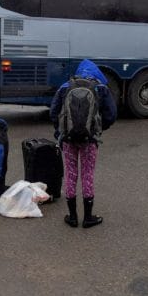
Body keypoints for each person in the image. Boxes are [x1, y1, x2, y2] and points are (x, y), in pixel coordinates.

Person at [50, 59, 117, 228]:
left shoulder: (66, 87)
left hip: (68, 139)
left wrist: (60, 132)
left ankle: (72, 217)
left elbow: (53, 112)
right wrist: (98, 129)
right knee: (87, 175)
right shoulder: (100, 88)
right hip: (90, 140)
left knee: (71, 174)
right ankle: (88, 217)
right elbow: (111, 115)